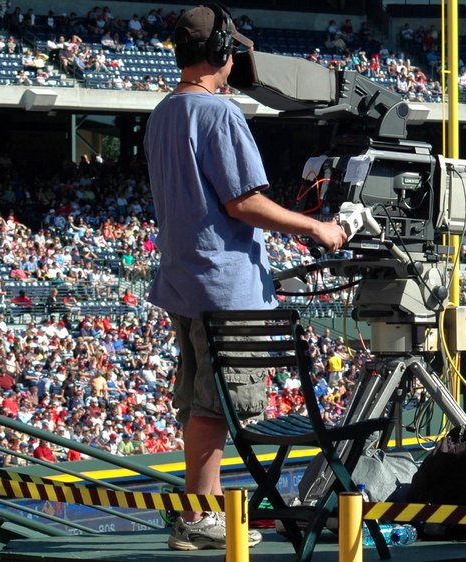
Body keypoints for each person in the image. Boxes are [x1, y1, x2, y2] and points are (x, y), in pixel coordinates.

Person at [143, 5, 347, 552]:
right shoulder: (219, 114)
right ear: (221, 54)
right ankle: (203, 517)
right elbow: (243, 202)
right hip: (225, 288)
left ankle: (195, 513)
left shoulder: (163, 112)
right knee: (218, 407)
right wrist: (316, 227)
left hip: (183, 284)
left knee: (198, 405)